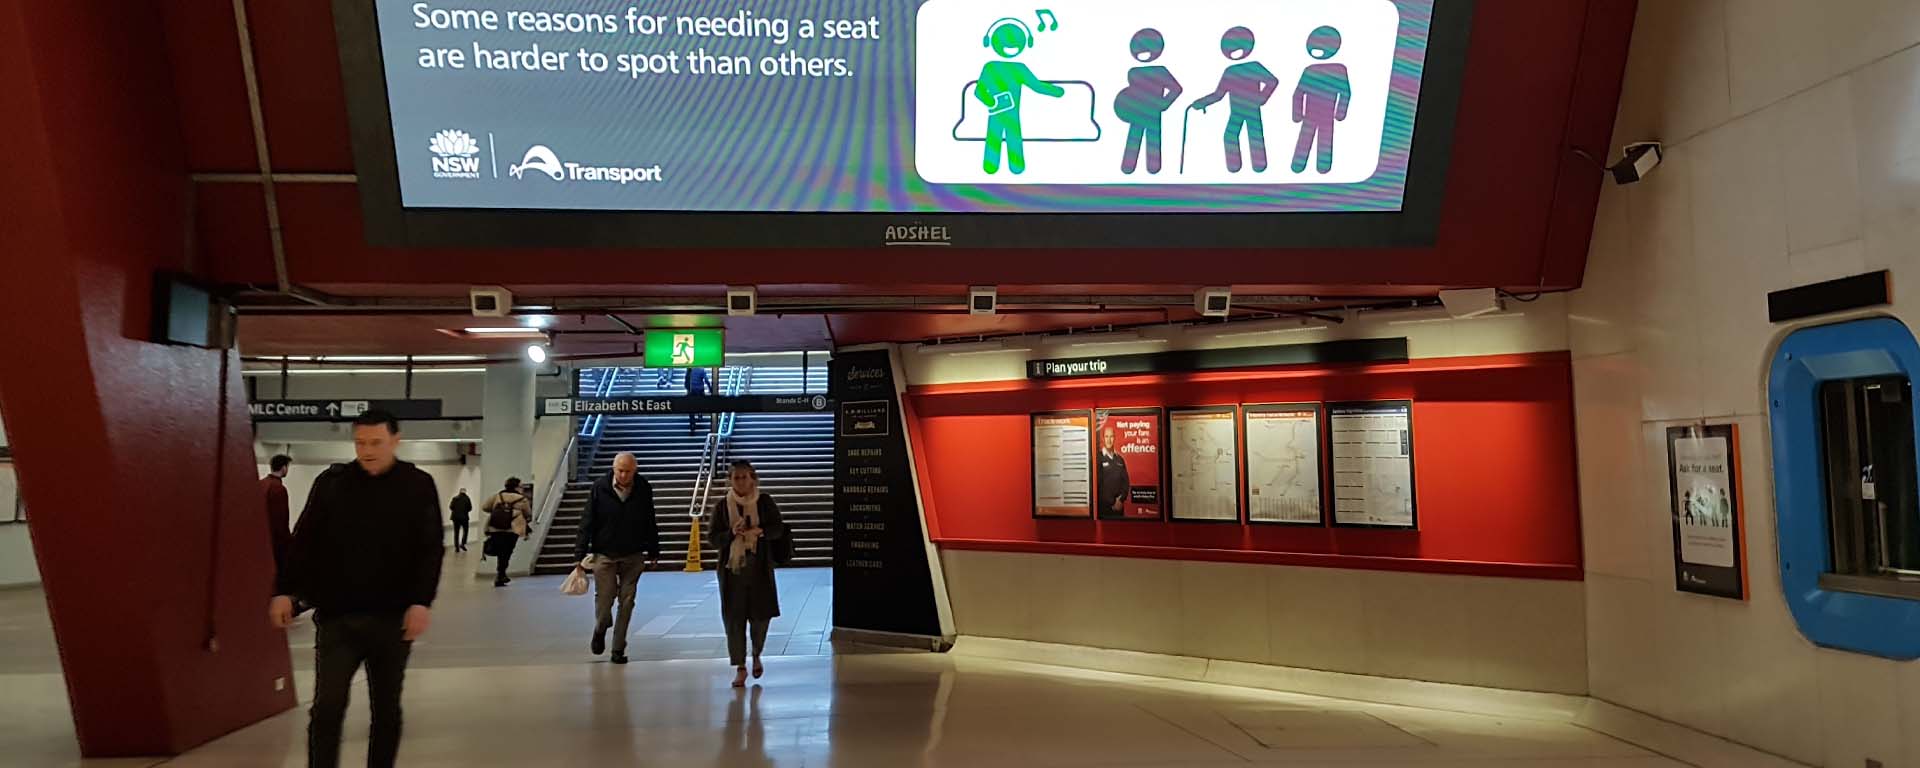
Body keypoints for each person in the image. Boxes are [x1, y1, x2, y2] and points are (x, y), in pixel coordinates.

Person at [269, 410, 443, 768]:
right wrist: (284, 590)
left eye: (376, 442)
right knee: (327, 708)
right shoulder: (332, 483)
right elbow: (304, 541)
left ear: (396, 440)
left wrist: (421, 602)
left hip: (392, 620)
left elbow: (430, 548)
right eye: (360, 442)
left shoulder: (417, 485)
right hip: (338, 618)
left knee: (386, 708)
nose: (367, 450)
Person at [572, 452, 660, 665]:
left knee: (627, 601)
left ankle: (618, 649)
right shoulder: (600, 488)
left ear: (635, 470)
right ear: (613, 468)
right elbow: (587, 520)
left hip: (633, 554)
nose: (623, 475)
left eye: (628, 471)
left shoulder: (643, 488)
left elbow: (650, 519)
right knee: (605, 599)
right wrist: (579, 553)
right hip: (604, 554)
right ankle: (601, 628)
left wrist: (654, 550)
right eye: (619, 470)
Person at [708, 460, 787, 688]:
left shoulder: (764, 502)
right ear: (730, 481)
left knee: (761, 616)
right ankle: (740, 666)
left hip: (759, 567)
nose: (741, 482)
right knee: (734, 618)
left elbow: (778, 528)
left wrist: (760, 531)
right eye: (736, 478)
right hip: (732, 571)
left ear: (753, 478)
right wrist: (732, 534)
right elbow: (713, 537)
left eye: (745, 477)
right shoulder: (722, 506)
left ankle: (756, 653)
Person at [975, 18, 1065, 174]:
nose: (1010, 46)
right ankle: (993, 166)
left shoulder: (1019, 68)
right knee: (996, 138)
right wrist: (993, 103)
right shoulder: (991, 67)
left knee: (1012, 138)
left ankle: (1013, 167)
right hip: (998, 112)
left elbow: (1037, 86)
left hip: (1010, 113)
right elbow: (979, 91)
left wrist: (1056, 91)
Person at [1190, 26, 1279, 173]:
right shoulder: (1230, 71)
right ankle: (1234, 166)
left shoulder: (1254, 67)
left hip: (1252, 109)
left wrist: (1261, 99)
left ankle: (1259, 165)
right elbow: (1219, 94)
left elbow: (1272, 81)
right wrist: (1202, 103)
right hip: (1236, 111)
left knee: (1255, 136)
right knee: (1230, 136)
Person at [1115, 28, 1182, 175]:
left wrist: (1163, 104)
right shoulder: (1134, 72)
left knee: (1152, 140)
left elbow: (1176, 88)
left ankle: (1153, 169)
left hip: (1152, 112)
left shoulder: (1160, 71)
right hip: (1136, 112)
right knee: (1134, 138)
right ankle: (1128, 168)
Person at [1291, 25, 1350, 174]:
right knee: (1305, 139)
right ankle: (1298, 165)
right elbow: (1298, 93)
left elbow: (1345, 93)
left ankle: (1323, 168)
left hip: (1326, 114)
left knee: (1325, 139)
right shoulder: (1310, 70)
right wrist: (1297, 114)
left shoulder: (1339, 70)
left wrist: (1340, 113)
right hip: (1310, 114)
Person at [481, 478, 532, 587]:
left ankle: (501, 573)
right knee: (507, 552)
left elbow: (485, 507)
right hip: (511, 530)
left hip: (496, 528)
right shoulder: (522, 499)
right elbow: (528, 514)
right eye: (521, 486)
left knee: (500, 551)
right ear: (516, 487)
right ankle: (501, 574)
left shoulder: (498, 496)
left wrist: (498, 511)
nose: (522, 488)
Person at [261, 454, 293, 579]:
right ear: (284, 468)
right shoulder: (279, 489)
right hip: (274, 543)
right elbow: (281, 520)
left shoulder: (260, 485)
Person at [1096, 426, 1131, 517]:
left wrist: (1120, 500)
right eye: (1106, 436)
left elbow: (1126, 483)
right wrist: (1112, 502)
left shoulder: (1120, 459)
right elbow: (1098, 485)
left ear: (1114, 438)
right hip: (1104, 509)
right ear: (1103, 438)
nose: (1109, 440)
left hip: (1119, 508)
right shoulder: (1098, 458)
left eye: (1111, 436)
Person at [685, 365, 711, 434]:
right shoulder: (701, 369)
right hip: (700, 390)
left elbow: (686, 380)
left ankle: (692, 424)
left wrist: (687, 389)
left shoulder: (689, 369)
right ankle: (700, 413)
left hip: (691, 390)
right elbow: (706, 380)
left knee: (691, 408)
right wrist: (710, 389)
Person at [449, 487, 472, 553]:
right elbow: (470, 508)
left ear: (459, 492)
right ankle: (462, 544)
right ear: (465, 492)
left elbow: (451, 507)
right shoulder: (467, 499)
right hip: (464, 518)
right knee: (465, 531)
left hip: (455, 518)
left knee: (456, 533)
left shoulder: (455, 498)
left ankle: (457, 548)